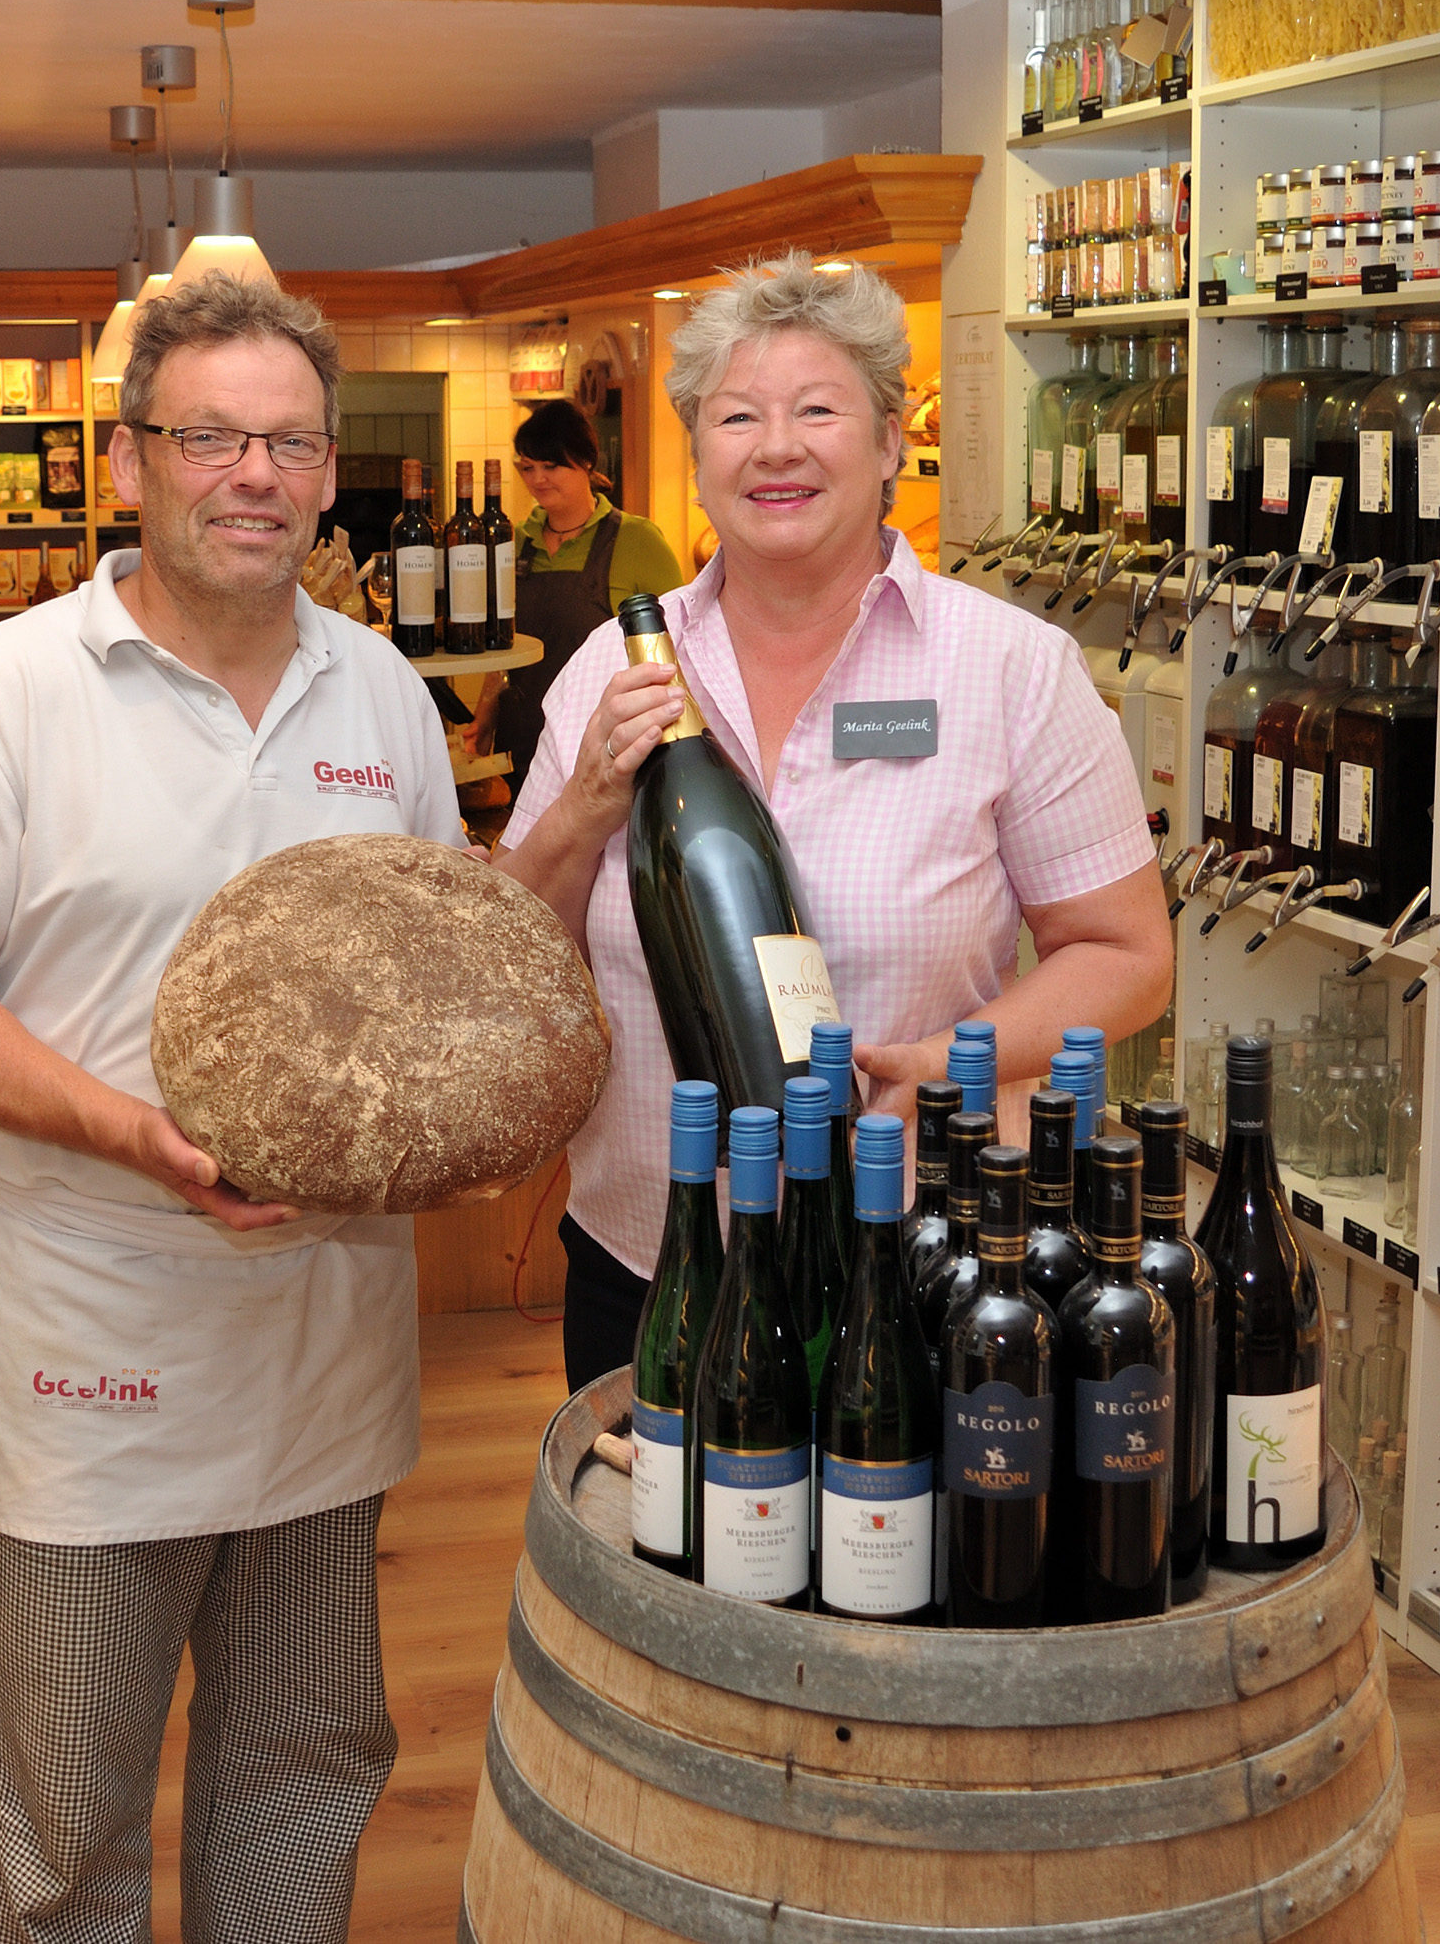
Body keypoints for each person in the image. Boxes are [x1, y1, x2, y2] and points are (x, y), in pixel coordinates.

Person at [0, 274, 461, 1944]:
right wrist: (134, 1136)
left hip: (326, 1349)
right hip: (93, 1343)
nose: (254, 474)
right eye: (210, 438)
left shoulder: (382, 695)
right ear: (128, 462)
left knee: (306, 1765)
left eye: (291, 443)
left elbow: (431, 969)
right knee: (68, 1820)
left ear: (329, 473)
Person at [497, 252, 1173, 1393]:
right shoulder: (612, 670)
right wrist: (579, 812)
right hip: (650, 1262)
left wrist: (947, 1066)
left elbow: (1127, 958)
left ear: (889, 443)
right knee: (653, 1517)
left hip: (914, 1254)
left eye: (817, 410)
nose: (776, 447)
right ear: (697, 455)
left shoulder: (1009, 669)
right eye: (736, 417)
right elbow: (512, 956)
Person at [491, 399, 686, 792]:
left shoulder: (637, 540)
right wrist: (484, 717)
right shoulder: (516, 541)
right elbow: (502, 643)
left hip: (604, 741)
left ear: (586, 462)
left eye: (551, 466)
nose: (537, 479)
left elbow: (680, 649)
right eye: (527, 467)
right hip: (522, 736)